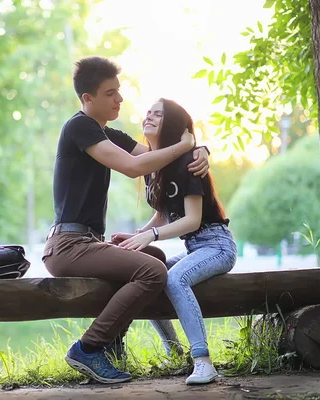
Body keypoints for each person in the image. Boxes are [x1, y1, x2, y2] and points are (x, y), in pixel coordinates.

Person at [42, 56, 211, 384]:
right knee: (153, 272)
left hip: (86, 242)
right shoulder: (79, 127)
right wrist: (185, 146)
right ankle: (90, 347)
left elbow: (154, 158)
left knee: (153, 256)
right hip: (67, 245)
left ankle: (115, 344)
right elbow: (136, 167)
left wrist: (199, 149)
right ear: (87, 99)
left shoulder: (106, 133)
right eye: (110, 93)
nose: (120, 99)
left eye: (119, 91)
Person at [111, 98, 237, 385]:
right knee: (151, 277)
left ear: (173, 125)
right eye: (148, 112)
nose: (150, 116)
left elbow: (192, 220)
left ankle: (203, 361)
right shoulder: (154, 166)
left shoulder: (188, 162)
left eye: (159, 114)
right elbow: (163, 213)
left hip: (217, 246)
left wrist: (150, 236)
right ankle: (175, 352)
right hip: (195, 248)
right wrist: (137, 234)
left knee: (174, 278)